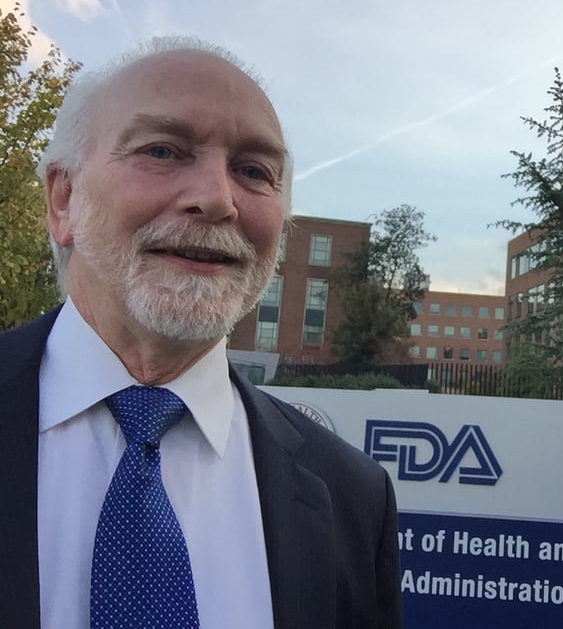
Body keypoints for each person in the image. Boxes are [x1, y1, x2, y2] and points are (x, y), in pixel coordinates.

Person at [0, 37, 403, 628]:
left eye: (252, 171)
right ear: (64, 201)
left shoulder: (351, 495)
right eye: (162, 151)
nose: (218, 199)